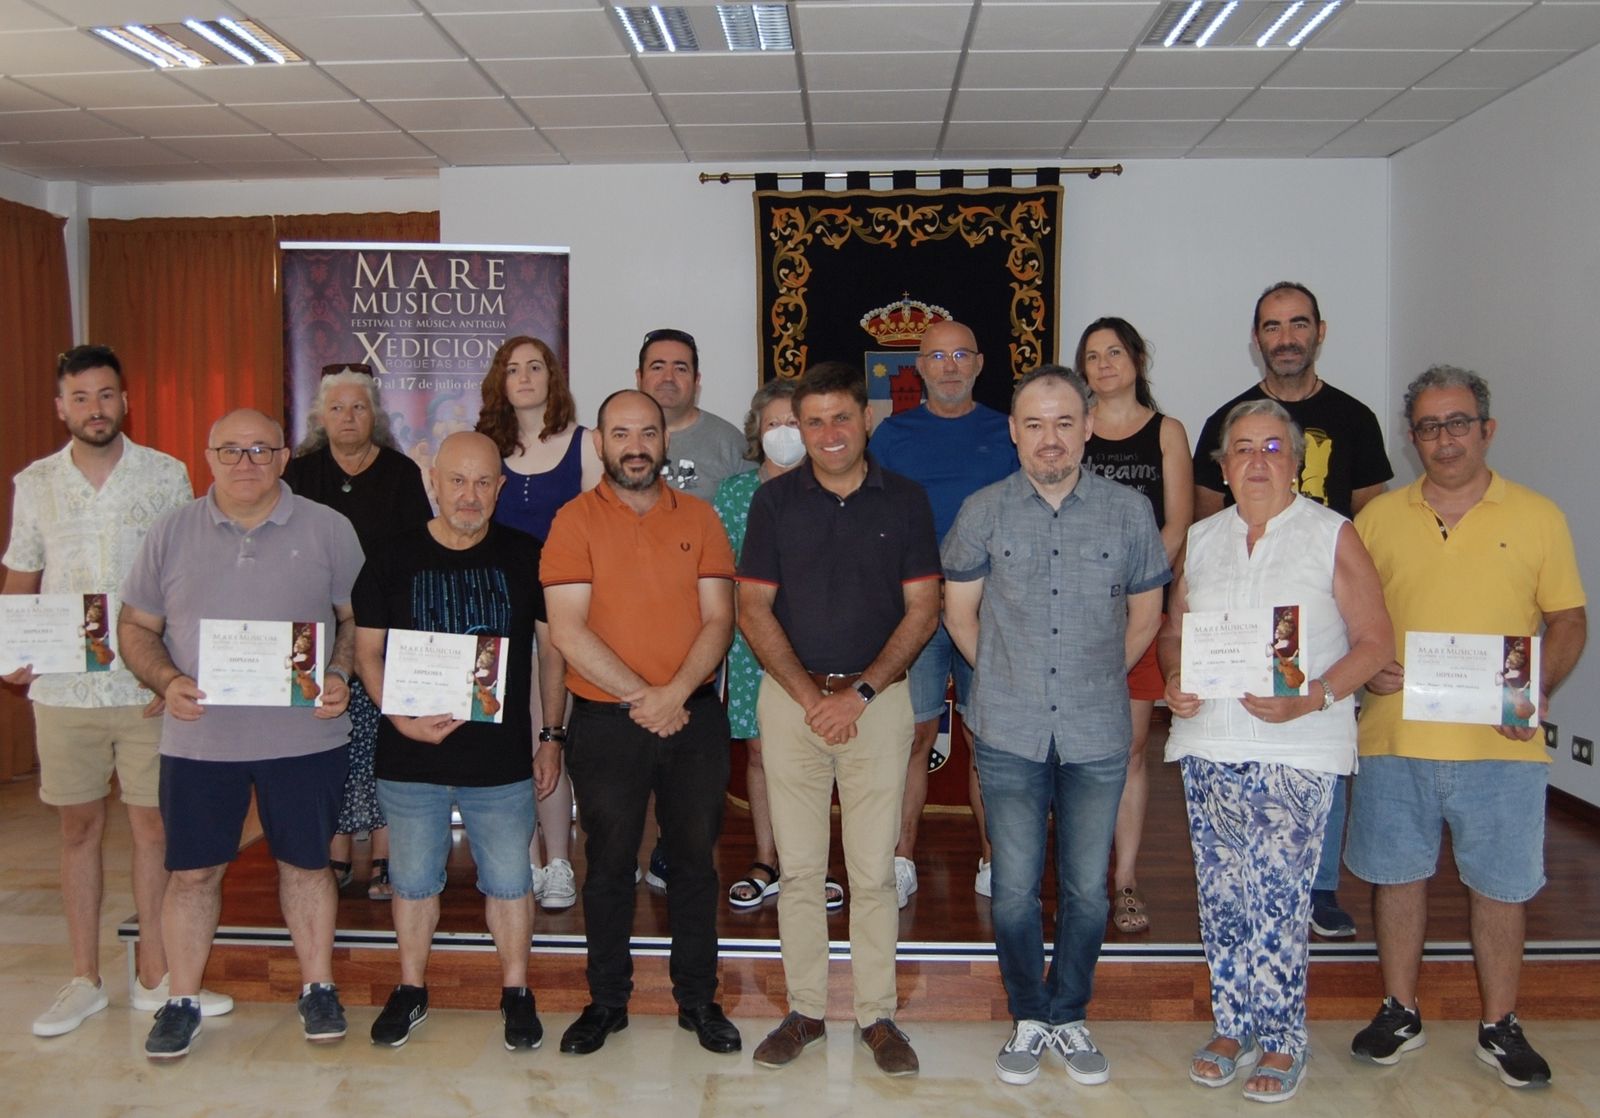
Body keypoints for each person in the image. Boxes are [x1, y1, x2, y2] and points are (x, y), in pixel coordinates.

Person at [1348, 366, 1586, 1090]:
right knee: (1397, 880)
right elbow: (1350, 622)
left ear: (1487, 429)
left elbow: (1568, 619)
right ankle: (1400, 1011)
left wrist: (1537, 688)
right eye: (1427, 426)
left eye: (1456, 423)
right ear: (1411, 436)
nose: (1443, 439)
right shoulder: (1378, 520)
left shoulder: (1538, 516)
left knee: (1502, 888)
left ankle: (1499, 1023)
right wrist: (1370, 664)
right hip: (1396, 735)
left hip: (1501, 744)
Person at [1160, 399, 1393, 1103]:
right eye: (1241, 449)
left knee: (1281, 899)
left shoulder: (1331, 534)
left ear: (1295, 463)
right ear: (1223, 467)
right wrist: (1176, 679)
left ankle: (1284, 1039)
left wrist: (1314, 695)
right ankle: (1232, 1026)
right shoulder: (1201, 538)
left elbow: (1376, 642)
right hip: (1210, 742)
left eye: (1271, 447)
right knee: (1222, 895)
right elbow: (1176, 630)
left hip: (1297, 745)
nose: (1256, 460)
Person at [943, 366, 1168, 1088]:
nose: (1050, 439)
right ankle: (1027, 1013)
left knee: (1087, 890)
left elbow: (1146, 616)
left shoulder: (1130, 513)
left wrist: (1096, 676)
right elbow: (959, 615)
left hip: (1097, 731)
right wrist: (1006, 673)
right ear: (1013, 432)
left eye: (1064, 422)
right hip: (1007, 730)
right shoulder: (982, 511)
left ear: (1089, 426)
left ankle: (1069, 1013)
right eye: (1034, 424)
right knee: (1012, 889)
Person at [118, 408, 363, 1061]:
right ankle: (181, 999)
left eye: (261, 449)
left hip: (305, 737)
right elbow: (135, 627)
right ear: (207, 456)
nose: (246, 462)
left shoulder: (330, 529)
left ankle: (317, 988)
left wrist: (339, 672)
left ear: (284, 456)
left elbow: (355, 618)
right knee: (192, 874)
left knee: (309, 867)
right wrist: (166, 680)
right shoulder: (170, 533)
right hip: (201, 740)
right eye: (231, 450)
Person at [3, 346, 232, 1037]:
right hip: (64, 690)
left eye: (106, 395)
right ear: (61, 407)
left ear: (125, 401)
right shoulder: (34, 483)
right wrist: (9, 649)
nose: (94, 409)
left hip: (143, 687)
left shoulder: (165, 475)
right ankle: (83, 978)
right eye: (80, 397)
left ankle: (155, 977)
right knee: (76, 830)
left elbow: (186, 579)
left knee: (152, 827)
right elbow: (21, 575)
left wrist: (174, 671)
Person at [739, 361, 941, 1077]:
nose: (828, 433)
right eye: (812, 420)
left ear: (866, 420)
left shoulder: (907, 502)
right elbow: (752, 608)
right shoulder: (773, 504)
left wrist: (857, 693)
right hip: (792, 704)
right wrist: (807, 694)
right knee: (797, 871)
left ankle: (877, 1016)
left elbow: (923, 608)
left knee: (873, 872)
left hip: (877, 705)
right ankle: (805, 1012)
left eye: (840, 418)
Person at [540, 389, 741, 1057]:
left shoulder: (703, 518)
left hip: (693, 717)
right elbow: (567, 629)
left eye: (647, 432)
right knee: (608, 867)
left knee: (693, 865)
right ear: (599, 442)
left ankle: (697, 1000)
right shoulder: (572, 521)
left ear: (664, 441)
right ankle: (606, 1002)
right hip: (606, 721)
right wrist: (643, 697)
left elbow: (720, 618)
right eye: (621, 432)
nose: (635, 445)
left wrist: (675, 692)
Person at [1190, 281, 1395, 940]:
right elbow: (1204, 535)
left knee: (1313, 740)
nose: (1285, 337)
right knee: (1249, 742)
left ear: (1318, 332)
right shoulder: (1223, 420)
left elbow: (1374, 522)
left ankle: (1319, 886)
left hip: (1324, 601)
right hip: (1249, 605)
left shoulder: (1356, 418)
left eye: (1297, 323)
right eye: (1272, 326)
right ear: (1257, 339)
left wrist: (1367, 623)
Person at [352, 431, 568, 1051]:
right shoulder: (391, 556)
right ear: (433, 483)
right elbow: (367, 652)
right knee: (414, 881)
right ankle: (412, 987)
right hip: (409, 755)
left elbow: (553, 656)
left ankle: (516, 990)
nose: (469, 496)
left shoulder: (528, 555)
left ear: (500, 489)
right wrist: (397, 714)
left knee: (509, 881)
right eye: (456, 481)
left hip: (499, 763)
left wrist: (551, 736)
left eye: (482, 483)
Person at [868, 318, 1018, 904]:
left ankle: (994, 859)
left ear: (979, 363)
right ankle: (900, 858)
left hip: (993, 611)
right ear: (919, 368)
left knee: (990, 738)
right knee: (913, 734)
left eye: (961, 354)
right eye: (937, 356)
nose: (950, 365)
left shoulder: (1008, 432)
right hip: (919, 609)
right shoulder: (891, 436)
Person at [284, 364, 432, 903]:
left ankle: (388, 853)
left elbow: (418, 551)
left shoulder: (399, 473)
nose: (348, 417)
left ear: (376, 415)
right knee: (331, 740)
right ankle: (339, 847)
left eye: (359, 407)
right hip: (316, 629)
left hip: (385, 628)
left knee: (384, 742)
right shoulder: (299, 475)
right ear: (321, 417)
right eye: (338, 408)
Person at [1076, 318, 1193, 935]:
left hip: (1141, 610)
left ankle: (1123, 881)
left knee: (1127, 750)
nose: (1104, 365)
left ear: (1138, 358)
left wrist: (1137, 587)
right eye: (1092, 356)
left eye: (1114, 352)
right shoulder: (1075, 427)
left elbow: (1178, 522)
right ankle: (1078, 871)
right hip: (1077, 611)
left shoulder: (1166, 432)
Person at [476, 335, 600, 912]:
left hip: (565, 613)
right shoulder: (481, 448)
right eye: (513, 368)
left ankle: (559, 862)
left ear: (552, 378)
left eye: (535, 367)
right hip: (498, 610)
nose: (524, 377)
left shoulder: (586, 445)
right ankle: (521, 861)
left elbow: (604, 535)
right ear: (499, 381)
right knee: (510, 740)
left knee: (552, 734)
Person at [713, 380, 844, 911]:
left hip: (820, 641)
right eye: (774, 424)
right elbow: (722, 573)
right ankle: (768, 860)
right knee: (763, 753)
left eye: (796, 422)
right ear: (756, 432)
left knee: (819, 751)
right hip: (751, 643)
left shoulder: (835, 487)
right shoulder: (736, 493)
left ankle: (812, 865)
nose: (785, 433)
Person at [636, 327, 747, 495]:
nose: (668, 378)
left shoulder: (728, 442)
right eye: (657, 367)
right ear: (639, 377)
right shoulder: (614, 439)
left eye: (680, 369)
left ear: (696, 380)